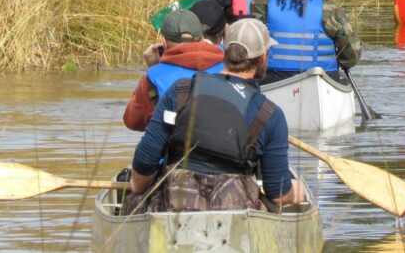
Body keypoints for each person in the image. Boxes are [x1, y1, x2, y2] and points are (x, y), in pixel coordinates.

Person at [124, 19, 304, 214]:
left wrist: (137, 187)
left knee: (136, 198)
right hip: (234, 218)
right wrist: (295, 193)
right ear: (262, 57)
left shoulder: (181, 91)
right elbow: (277, 192)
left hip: (174, 209)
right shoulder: (270, 114)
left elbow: (145, 160)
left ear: (224, 51)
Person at [252, 0, 363, 84]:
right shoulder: (328, 7)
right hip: (322, 78)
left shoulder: (262, 1)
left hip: (272, 78)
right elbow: (352, 53)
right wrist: (341, 63)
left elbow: (252, 43)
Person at [123, 10, 225, 132]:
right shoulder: (228, 66)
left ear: (164, 43)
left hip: (177, 146)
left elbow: (133, 121)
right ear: (202, 39)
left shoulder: (154, 76)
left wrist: (153, 68)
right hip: (223, 143)